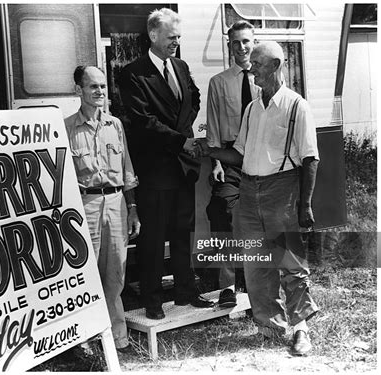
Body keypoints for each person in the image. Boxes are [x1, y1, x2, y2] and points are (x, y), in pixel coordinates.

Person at [197, 41, 319, 356]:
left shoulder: (296, 106)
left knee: (290, 262)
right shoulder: (253, 108)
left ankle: (301, 329)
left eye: (258, 65)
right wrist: (208, 151)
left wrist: (304, 204)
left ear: (276, 65)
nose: (252, 71)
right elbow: (238, 154)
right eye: (251, 65)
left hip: (282, 190)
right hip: (249, 192)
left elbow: (310, 159)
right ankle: (270, 328)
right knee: (256, 264)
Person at [119, 8, 213, 320]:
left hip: (183, 167)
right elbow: (143, 121)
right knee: (154, 238)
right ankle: (153, 300)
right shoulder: (133, 73)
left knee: (183, 233)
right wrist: (181, 139)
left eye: (179, 37)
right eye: (172, 37)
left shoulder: (181, 66)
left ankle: (187, 292)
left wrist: (184, 131)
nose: (176, 42)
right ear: (154, 35)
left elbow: (194, 98)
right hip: (156, 171)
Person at [65, 66, 140, 352]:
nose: (99, 92)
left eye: (102, 87)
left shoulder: (115, 125)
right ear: (79, 91)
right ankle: (84, 339)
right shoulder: (66, 127)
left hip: (117, 203)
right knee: (86, 272)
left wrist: (132, 209)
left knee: (116, 272)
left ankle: (117, 338)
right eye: (93, 86)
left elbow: (127, 169)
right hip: (86, 204)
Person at [205, 20, 259, 307]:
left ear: (254, 42)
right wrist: (216, 163)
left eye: (246, 41)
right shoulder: (219, 82)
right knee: (220, 213)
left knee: (258, 220)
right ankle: (227, 285)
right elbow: (213, 127)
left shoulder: (266, 79)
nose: (242, 47)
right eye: (236, 42)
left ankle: (256, 283)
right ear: (230, 46)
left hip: (261, 159)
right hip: (230, 160)